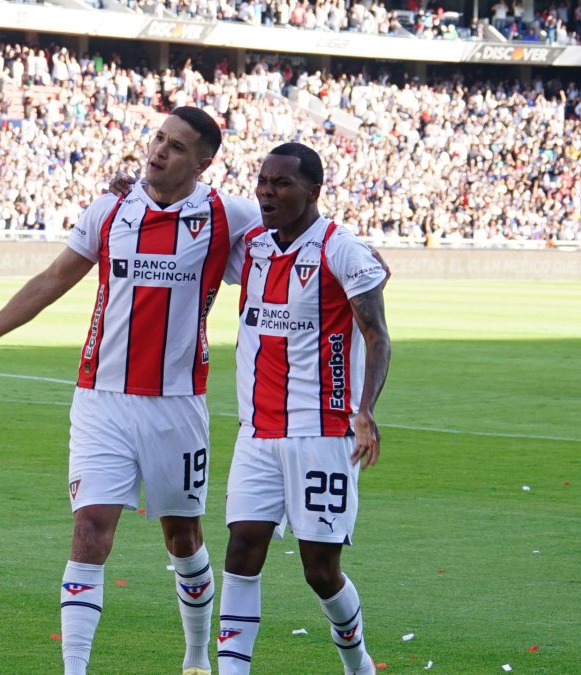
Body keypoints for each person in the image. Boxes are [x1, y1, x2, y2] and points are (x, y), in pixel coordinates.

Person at [0, 107, 262, 675]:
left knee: (182, 537)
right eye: (158, 138)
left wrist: (354, 258)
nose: (158, 150)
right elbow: (53, 279)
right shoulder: (110, 209)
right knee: (89, 530)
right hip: (100, 398)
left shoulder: (230, 217)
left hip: (176, 405)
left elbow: (295, 241)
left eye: (177, 147)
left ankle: (197, 658)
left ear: (204, 162)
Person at [217, 143, 391, 675]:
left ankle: (357, 661)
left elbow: (378, 337)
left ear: (314, 191)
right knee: (242, 550)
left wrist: (365, 410)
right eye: (263, 181)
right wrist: (128, 193)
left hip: (322, 433)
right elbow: (190, 203)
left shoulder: (342, 250)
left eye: (282, 183)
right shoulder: (251, 246)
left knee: (320, 569)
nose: (267, 192)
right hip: (257, 433)